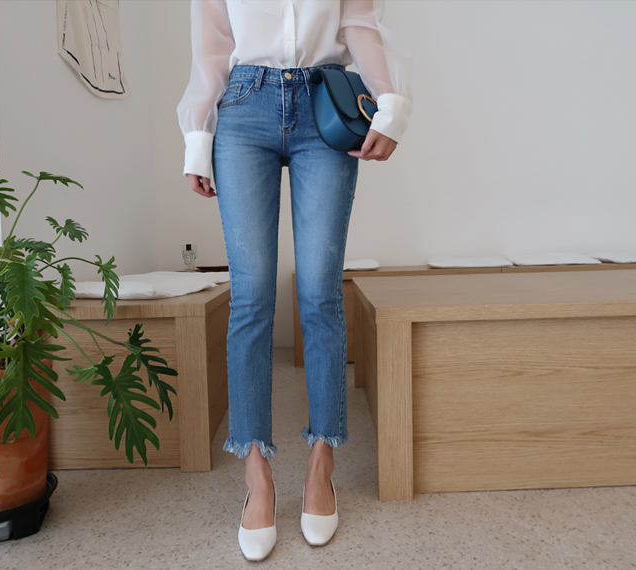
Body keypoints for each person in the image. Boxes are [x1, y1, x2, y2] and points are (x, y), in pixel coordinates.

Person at [176, 0, 413, 561]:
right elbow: (212, 45)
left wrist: (390, 106)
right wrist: (198, 135)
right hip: (244, 106)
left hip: (325, 100)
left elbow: (359, 25)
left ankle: (320, 465)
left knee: (320, 295)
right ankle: (257, 476)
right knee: (251, 296)